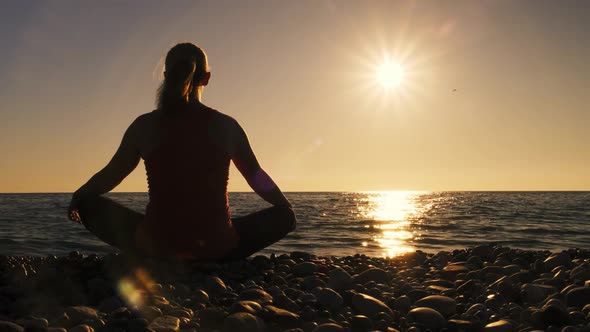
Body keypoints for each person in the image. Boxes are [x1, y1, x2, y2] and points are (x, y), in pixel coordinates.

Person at [68, 43, 296, 261]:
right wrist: (286, 207)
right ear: (207, 78)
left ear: (166, 77)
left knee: (89, 205)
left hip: (156, 247)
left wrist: (78, 198)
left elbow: (111, 175)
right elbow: (256, 176)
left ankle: (164, 254)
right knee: (284, 217)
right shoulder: (227, 126)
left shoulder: (143, 126)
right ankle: (207, 251)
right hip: (218, 248)